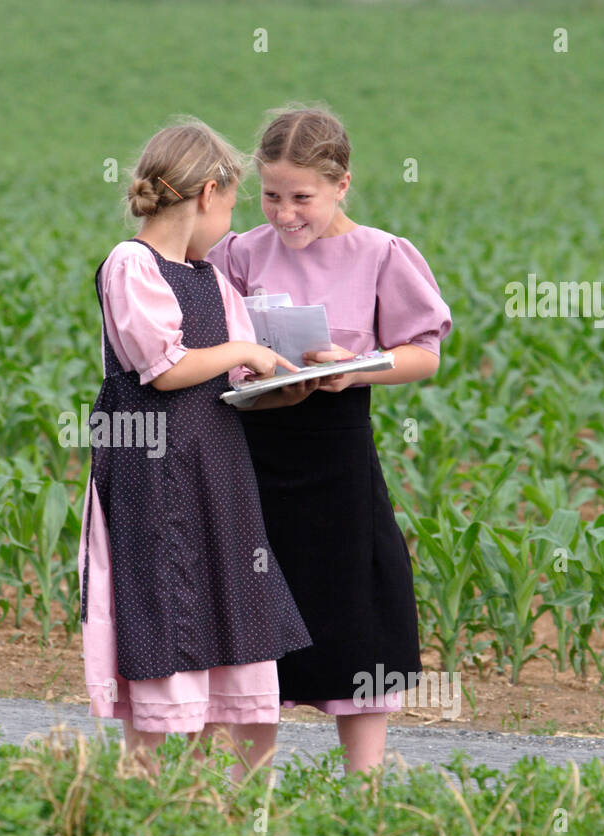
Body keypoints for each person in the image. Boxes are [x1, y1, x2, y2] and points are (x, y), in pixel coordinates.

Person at [207, 104, 453, 778]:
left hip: (336, 447)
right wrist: (252, 367)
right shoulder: (239, 252)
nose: (285, 214)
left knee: (355, 602)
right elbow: (215, 345)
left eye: (302, 198)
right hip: (254, 445)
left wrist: (352, 371)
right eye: (272, 195)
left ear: (342, 184)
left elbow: (423, 353)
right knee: (255, 606)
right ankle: (247, 778)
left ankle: (363, 782)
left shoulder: (381, 253)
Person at [77, 118, 314, 783]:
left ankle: (235, 801)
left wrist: (287, 385)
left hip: (217, 469)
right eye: (234, 203)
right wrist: (243, 351)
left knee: (234, 601)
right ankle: (145, 785)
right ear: (208, 192)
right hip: (153, 475)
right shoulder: (132, 264)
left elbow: (235, 377)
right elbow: (165, 367)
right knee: (168, 603)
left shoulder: (210, 279)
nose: (231, 220)